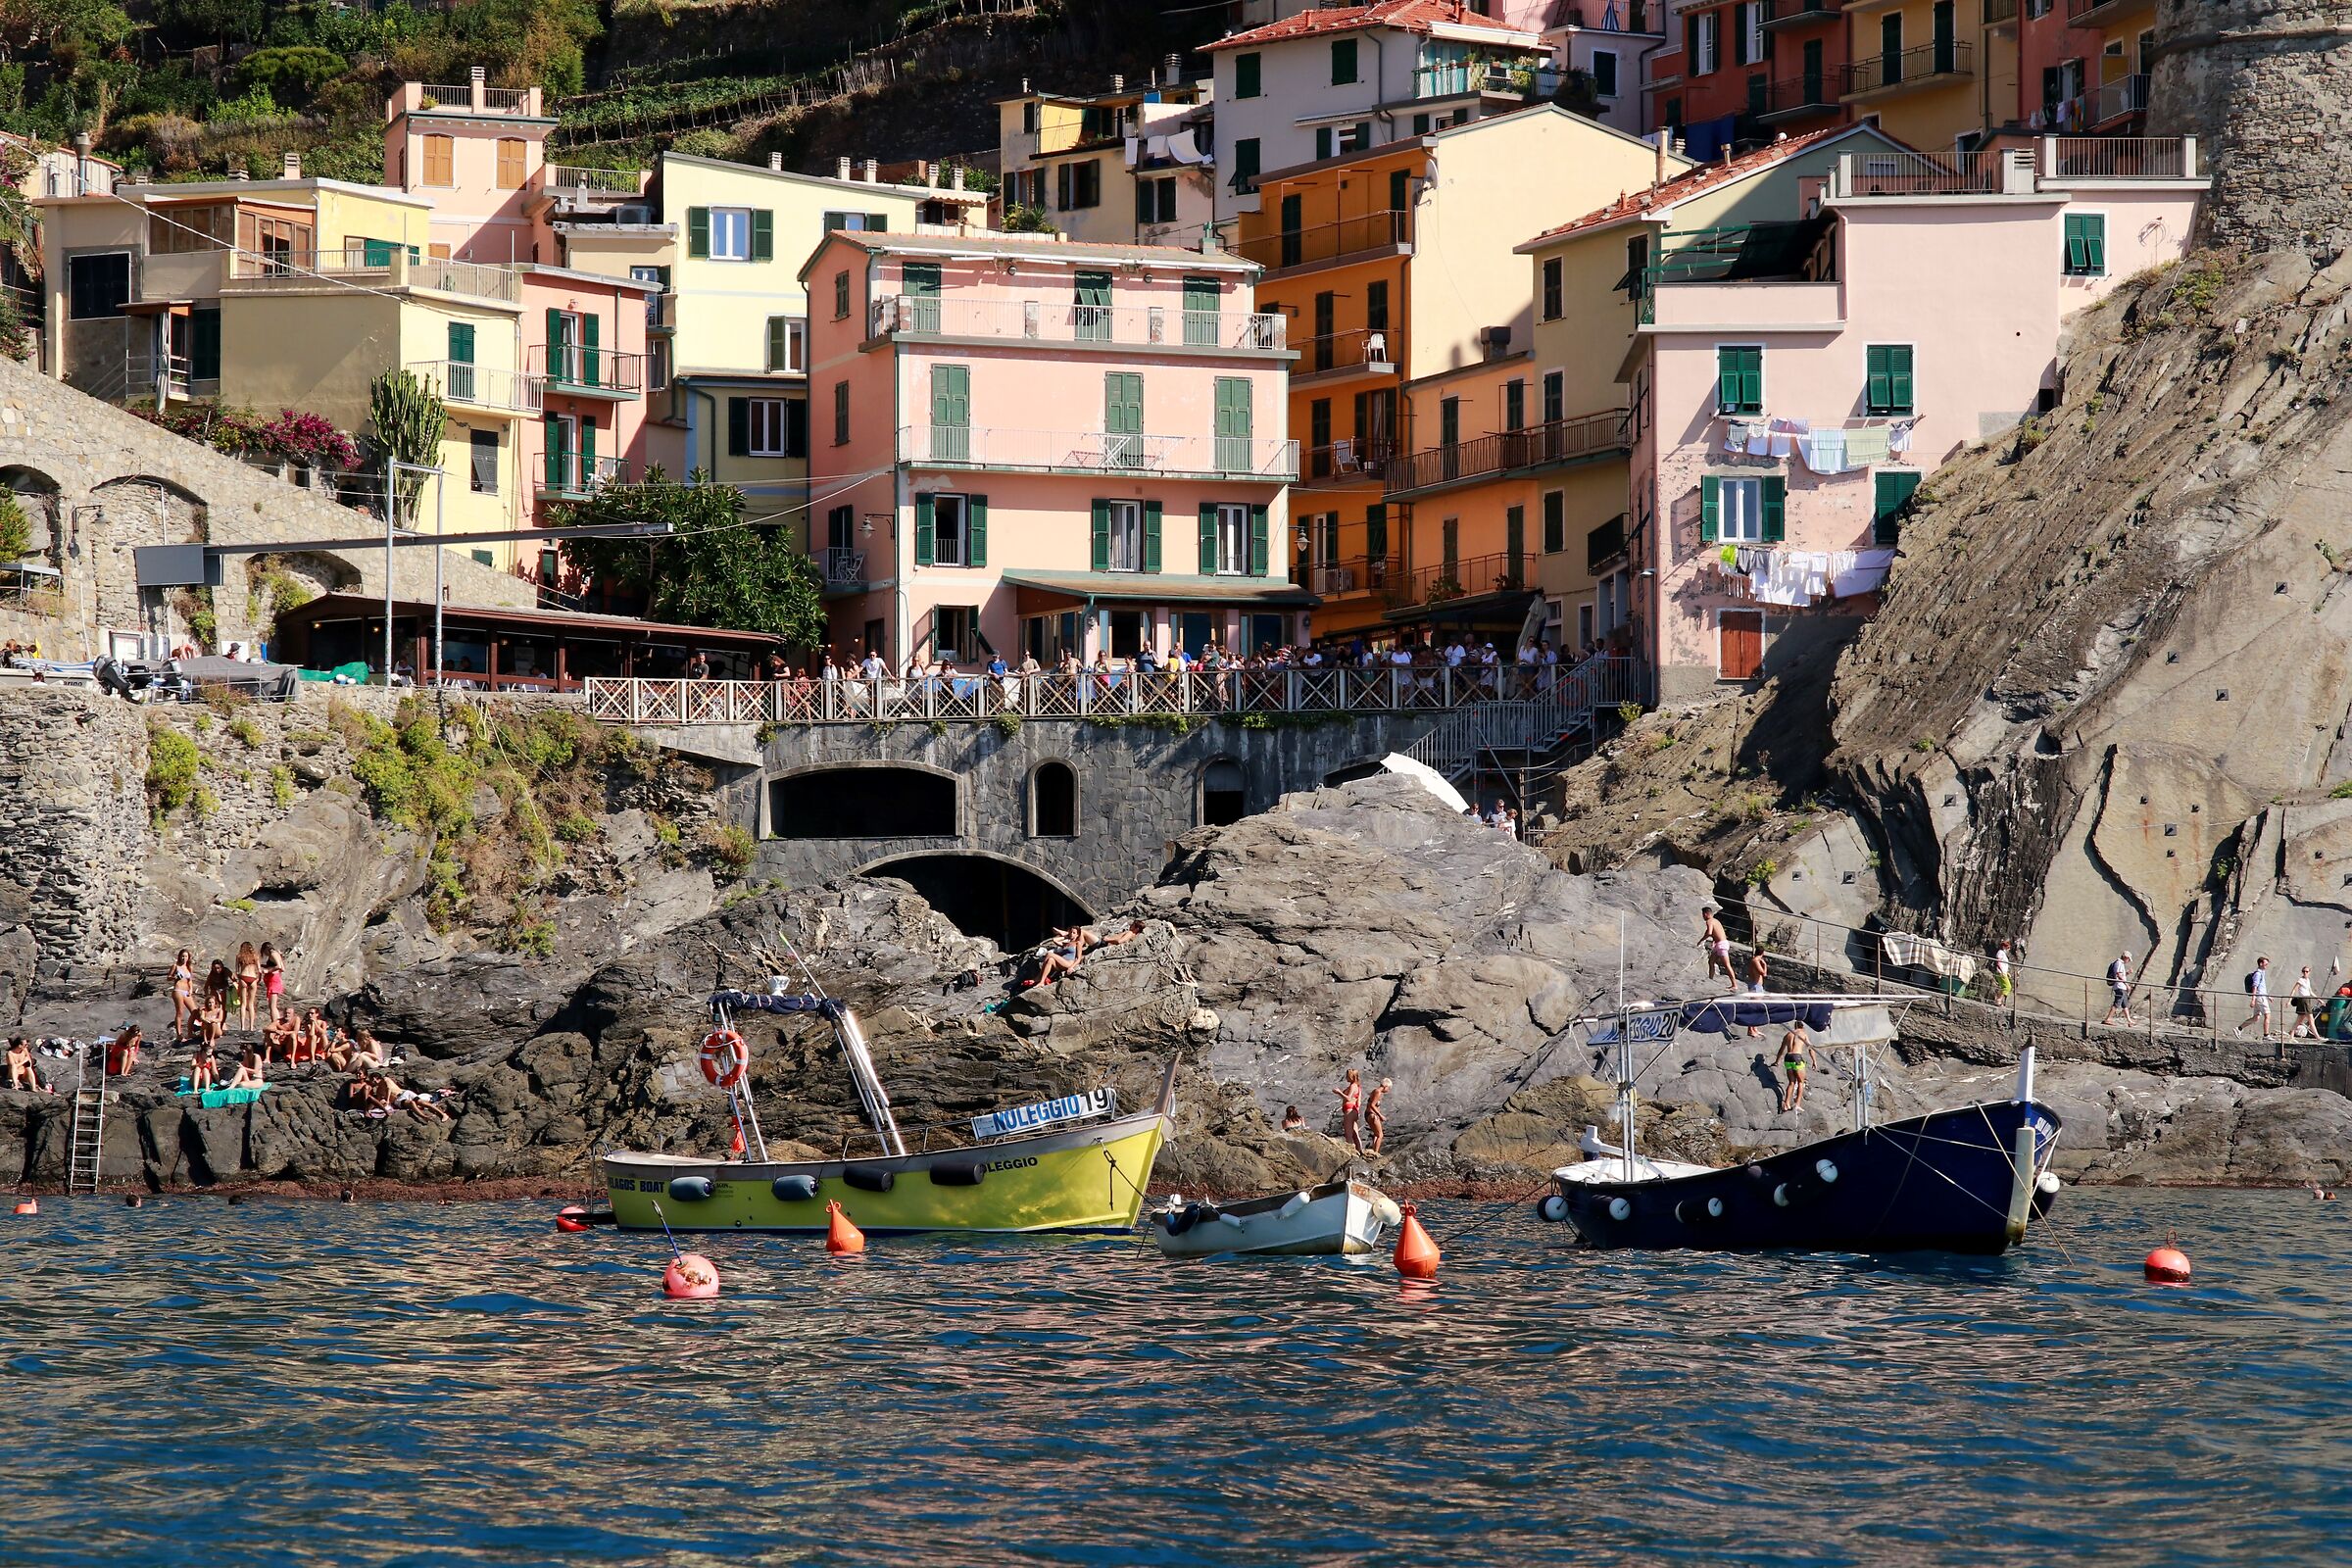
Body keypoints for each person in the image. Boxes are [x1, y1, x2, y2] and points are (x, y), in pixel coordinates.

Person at [1772, 1019, 1810, 1113]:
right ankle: (1797, 1104)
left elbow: (1781, 1050)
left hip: (1788, 1057)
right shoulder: (1803, 1034)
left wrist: (1776, 1061)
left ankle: (1786, 1103)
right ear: (1803, 1026)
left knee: (1791, 1082)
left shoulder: (1788, 1034)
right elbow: (1811, 1048)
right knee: (1801, 1082)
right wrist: (1814, 1061)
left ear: (1795, 1026)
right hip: (1797, 1057)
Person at [2236, 955, 2274, 1039]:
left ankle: (2239, 1028)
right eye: (2265, 964)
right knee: (2267, 1015)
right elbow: (2255, 986)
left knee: (2256, 1017)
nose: (2267, 966)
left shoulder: (2261, 973)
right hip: (2260, 998)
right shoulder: (2258, 974)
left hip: (2261, 997)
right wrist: (2253, 999)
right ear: (2261, 964)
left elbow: (2261, 987)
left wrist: (2268, 996)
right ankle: (2266, 1035)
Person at [1700, 905, 1736, 988]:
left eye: (1703, 915)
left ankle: (1734, 985)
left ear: (1706, 914)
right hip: (1719, 944)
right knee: (1711, 962)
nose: (1703, 917)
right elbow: (1717, 933)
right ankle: (1710, 979)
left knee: (1727, 965)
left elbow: (1709, 932)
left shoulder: (1709, 921)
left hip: (1721, 945)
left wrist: (1701, 940)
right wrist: (1714, 941)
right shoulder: (1716, 921)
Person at [1335, 1066, 1366, 1152]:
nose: (1346, 1077)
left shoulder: (1353, 1086)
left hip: (1349, 1110)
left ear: (1352, 1077)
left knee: (1348, 1134)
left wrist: (1339, 1092)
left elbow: (1348, 1098)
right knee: (1355, 1134)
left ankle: (1350, 1152)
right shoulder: (1358, 1087)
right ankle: (1360, 1151)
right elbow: (1358, 1102)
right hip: (1354, 1111)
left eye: (1348, 1076)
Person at [171, 948, 198, 1044]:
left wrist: (191, 989)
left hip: (186, 991)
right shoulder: (175, 966)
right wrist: (175, 976)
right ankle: (179, 1034)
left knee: (195, 1011)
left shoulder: (189, 967)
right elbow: (168, 977)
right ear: (179, 957)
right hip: (178, 990)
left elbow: (190, 980)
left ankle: (190, 1032)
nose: (184, 958)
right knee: (180, 1012)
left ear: (188, 957)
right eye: (182, 956)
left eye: (186, 956)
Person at [234, 941, 262, 1032]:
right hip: (253, 978)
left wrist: (239, 979)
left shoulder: (239, 956)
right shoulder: (255, 956)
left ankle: (242, 1027)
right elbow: (259, 970)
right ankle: (251, 1027)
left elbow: (237, 971)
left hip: (243, 977)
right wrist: (258, 979)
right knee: (251, 1003)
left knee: (243, 1004)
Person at [1744, 949, 1771, 1039]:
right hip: (1755, 986)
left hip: (1758, 986)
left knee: (1757, 1008)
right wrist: (1765, 965)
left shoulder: (1755, 960)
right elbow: (1763, 973)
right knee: (1754, 1008)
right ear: (1763, 953)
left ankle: (1754, 1028)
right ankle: (1750, 1030)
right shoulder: (1755, 961)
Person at [2103, 953, 2135, 1026]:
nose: (2128, 961)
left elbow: (2120, 975)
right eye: (2128, 959)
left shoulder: (2119, 964)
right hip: (2120, 986)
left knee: (2125, 1004)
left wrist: (2127, 973)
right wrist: (2127, 985)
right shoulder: (2119, 963)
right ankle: (2108, 1019)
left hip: (2121, 986)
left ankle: (2129, 1021)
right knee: (2117, 1003)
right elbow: (2119, 975)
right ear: (2125, 957)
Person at [258, 942, 286, 1026]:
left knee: (272, 1006)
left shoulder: (273, 954)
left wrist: (268, 971)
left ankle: (274, 1024)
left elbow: (279, 967)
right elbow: (282, 967)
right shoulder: (276, 953)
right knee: (273, 1005)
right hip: (274, 979)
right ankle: (276, 1023)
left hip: (274, 980)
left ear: (266, 949)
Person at [1365, 1077, 1392, 1154]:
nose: (1388, 1090)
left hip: (1369, 1114)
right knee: (1380, 1135)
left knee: (1376, 1134)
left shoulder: (1375, 1091)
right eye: (1389, 1088)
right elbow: (1372, 1105)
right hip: (1372, 1114)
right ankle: (1376, 1153)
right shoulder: (1378, 1092)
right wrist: (1380, 1115)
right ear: (1385, 1086)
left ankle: (1373, 1151)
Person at [2291, 964, 2317, 1039]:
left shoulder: (2308, 980)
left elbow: (2310, 992)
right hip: (2303, 1000)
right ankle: (2317, 1036)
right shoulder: (2300, 980)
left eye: (2307, 971)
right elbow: (2294, 989)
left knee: (2299, 1019)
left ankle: (2291, 1034)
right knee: (2311, 1019)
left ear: (2309, 972)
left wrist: (2319, 999)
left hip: (2307, 999)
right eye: (2304, 971)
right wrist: (2289, 1000)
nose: (2305, 973)